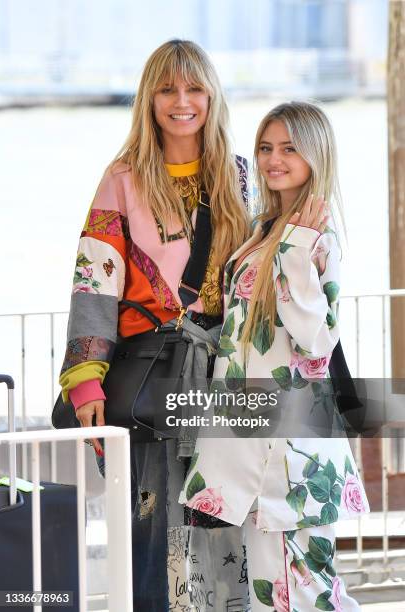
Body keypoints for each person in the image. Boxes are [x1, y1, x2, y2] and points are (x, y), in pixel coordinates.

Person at [58, 39, 251, 611]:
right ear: (149, 99)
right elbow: (94, 278)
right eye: (167, 88)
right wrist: (86, 377)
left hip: (228, 375)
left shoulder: (240, 177)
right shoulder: (122, 179)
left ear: (211, 96)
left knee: (223, 514)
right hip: (156, 374)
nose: (181, 101)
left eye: (193, 87)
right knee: (158, 517)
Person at [179, 101, 370, 611]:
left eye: (289, 148)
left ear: (315, 154)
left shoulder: (314, 236)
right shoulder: (264, 228)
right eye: (265, 147)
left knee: (305, 591)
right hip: (248, 441)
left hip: (289, 450)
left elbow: (315, 346)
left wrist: (295, 250)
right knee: (271, 590)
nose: (273, 159)